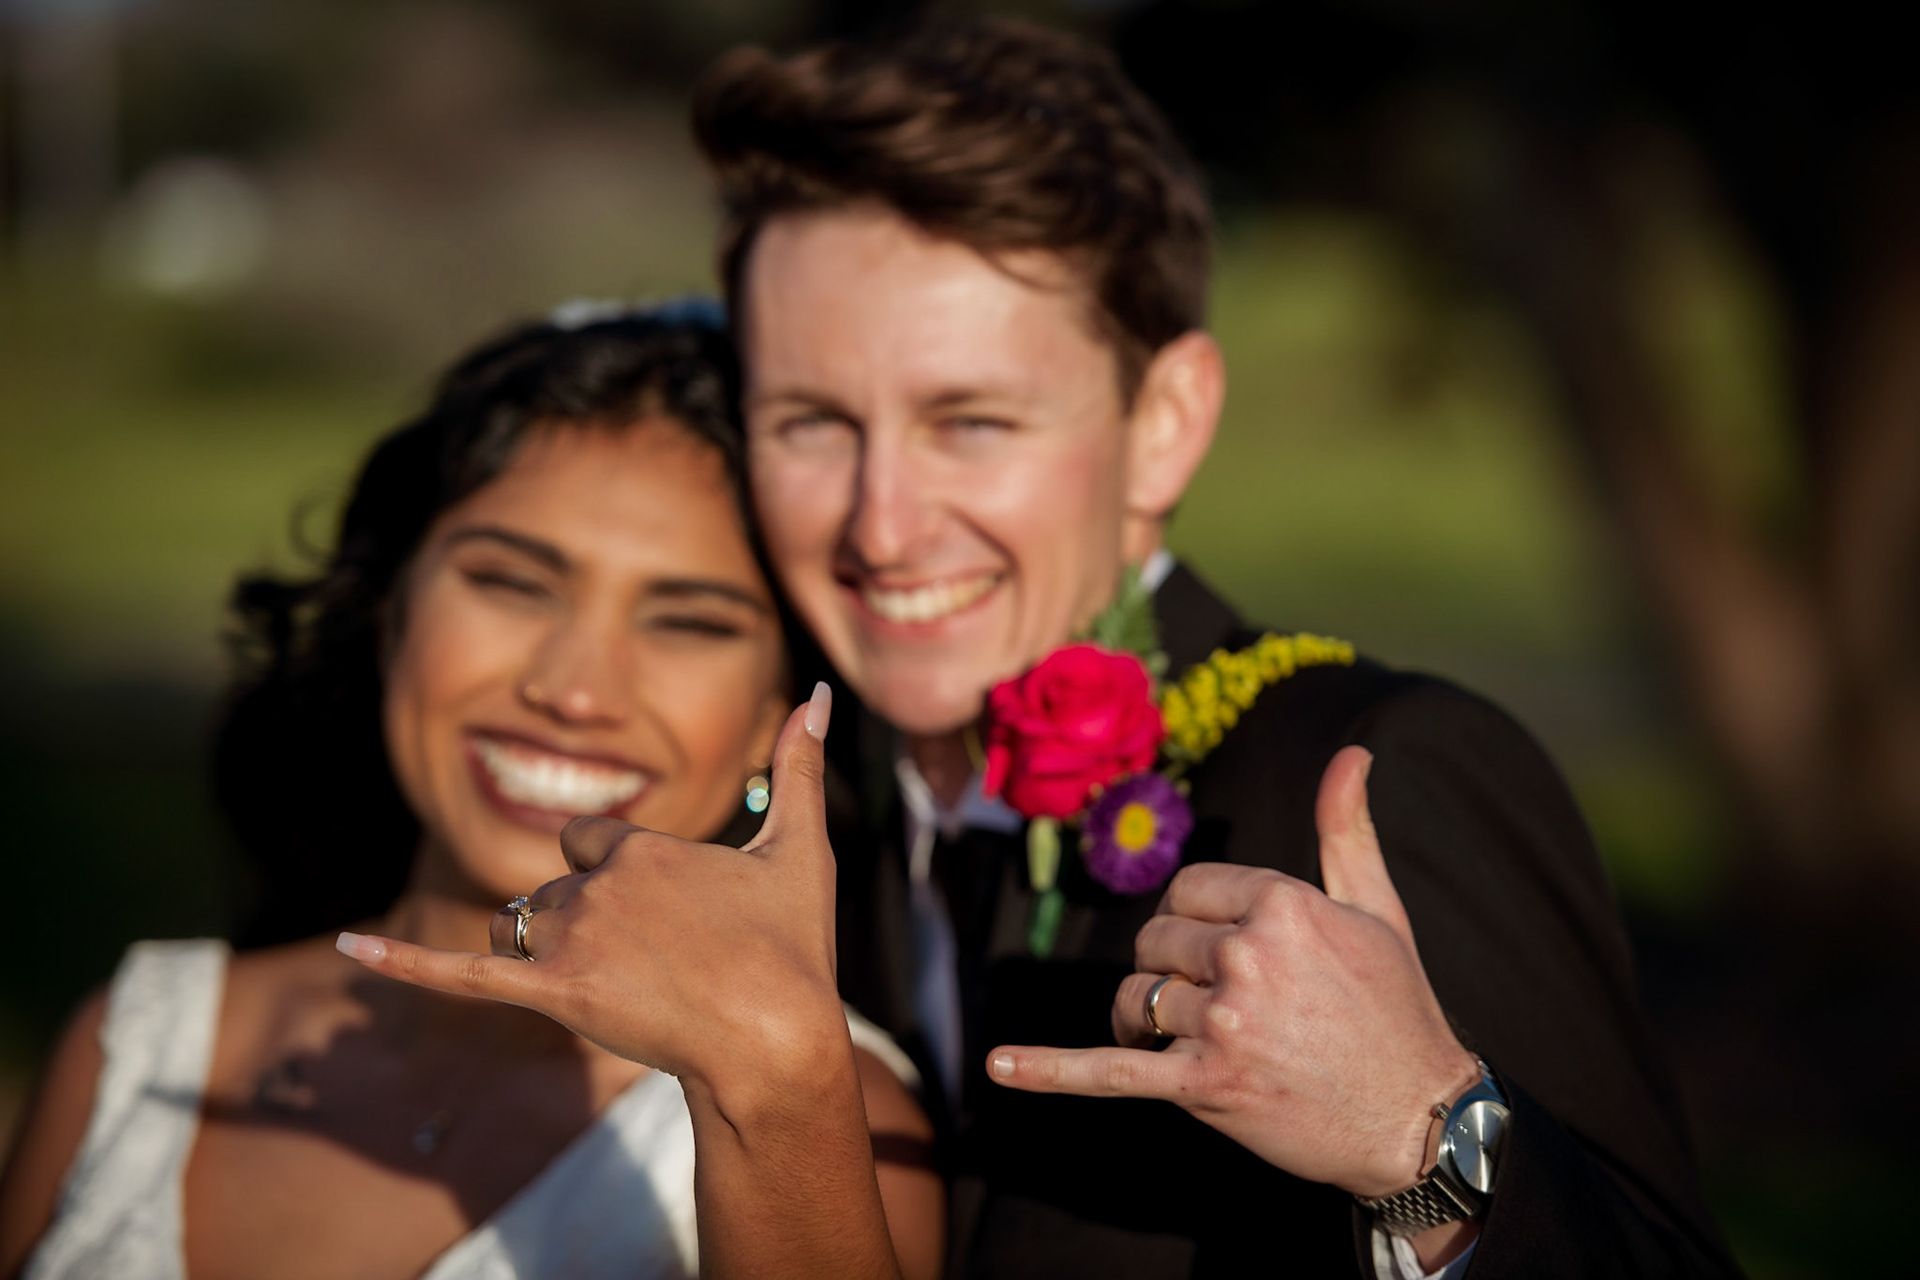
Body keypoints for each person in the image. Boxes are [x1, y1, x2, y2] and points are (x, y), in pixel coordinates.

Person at [347, 17, 1741, 1280]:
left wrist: (1424, 1142)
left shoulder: (1387, 779)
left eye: (972, 423)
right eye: (811, 422)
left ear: (1165, 424)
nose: (882, 525)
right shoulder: (796, 806)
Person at [0, 305, 942, 1280]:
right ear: (390, 611)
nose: (575, 690)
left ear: (777, 714)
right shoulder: (137, 1043)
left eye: (687, 623)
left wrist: (770, 1094)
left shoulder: (835, 1128)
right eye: (512, 582)